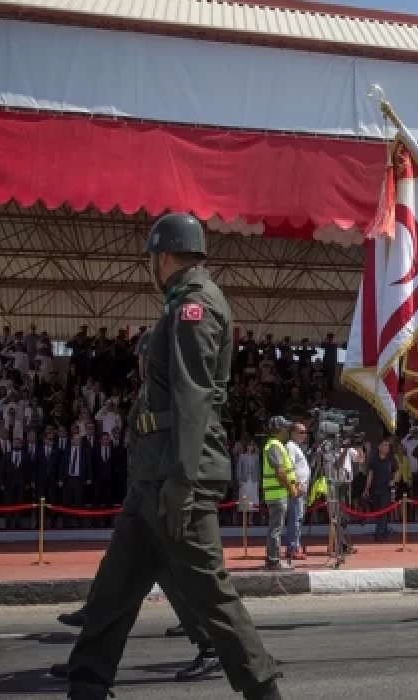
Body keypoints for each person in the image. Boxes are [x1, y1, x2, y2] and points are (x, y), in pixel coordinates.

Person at [64, 213, 281, 700]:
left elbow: (193, 396)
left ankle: (263, 689)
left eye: (151, 258)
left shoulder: (196, 304)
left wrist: (182, 481)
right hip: (152, 475)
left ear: (163, 256)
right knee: (112, 592)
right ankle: (86, 683)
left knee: (211, 596)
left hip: (176, 476)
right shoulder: (180, 302)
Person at [262, 416, 300, 571]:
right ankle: (273, 560)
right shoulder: (274, 446)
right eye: (285, 428)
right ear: (278, 430)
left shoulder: (277, 445)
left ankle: (273, 559)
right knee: (276, 528)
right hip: (277, 494)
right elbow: (280, 471)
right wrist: (291, 488)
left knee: (276, 527)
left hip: (278, 493)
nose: (287, 431)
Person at [284, 420, 311, 560]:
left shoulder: (297, 447)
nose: (304, 435)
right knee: (295, 518)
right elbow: (290, 467)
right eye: (301, 432)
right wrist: (296, 484)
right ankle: (293, 547)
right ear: (293, 433)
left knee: (298, 517)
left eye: (305, 432)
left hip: (301, 488)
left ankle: (296, 545)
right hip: (297, 488)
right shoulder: (291, 447)